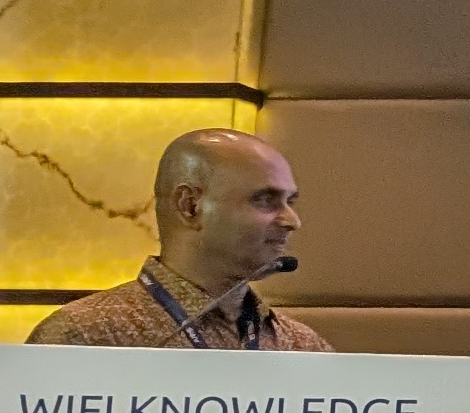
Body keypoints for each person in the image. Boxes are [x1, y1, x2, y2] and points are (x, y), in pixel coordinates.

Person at [26, 128, 327, 351]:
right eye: (265, 200)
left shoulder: (302, 347)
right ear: (190, 206)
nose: (292, 221)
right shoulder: (87, 336)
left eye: (290, 202)